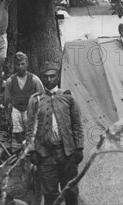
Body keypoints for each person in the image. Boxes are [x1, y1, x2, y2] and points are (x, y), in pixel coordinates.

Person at [27, 61, 84, 205]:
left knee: (71, 190)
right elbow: (30, 128)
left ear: (58, 77)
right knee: (50, 194)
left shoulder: (67, 98)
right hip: (45, 155)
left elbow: (77, 125)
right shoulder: (35, 100)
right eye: (45, 76)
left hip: (67, 153)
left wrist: (79, 147)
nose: (49, 79)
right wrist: (32, 151)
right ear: (42, 78)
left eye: (52, 76)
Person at [3, 52, 44, 144]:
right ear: (15, 65)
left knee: (31, 132)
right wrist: (8, 113)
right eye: (18, 64)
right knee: (18, 132)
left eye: (23, 64)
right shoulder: (10, 81)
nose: (20, 67)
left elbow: (42, 95)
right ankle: (20, 148)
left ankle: (31, 150)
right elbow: (7, 98)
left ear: (27, 63)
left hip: (29, 109)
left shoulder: (34, 79)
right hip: (16, 109)